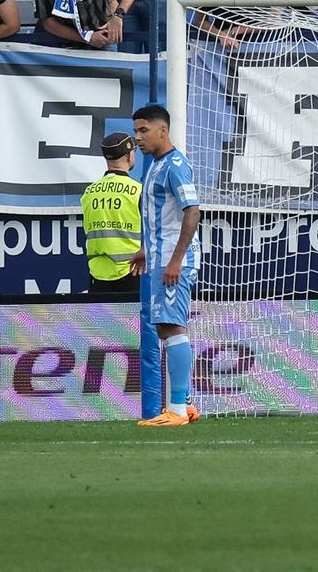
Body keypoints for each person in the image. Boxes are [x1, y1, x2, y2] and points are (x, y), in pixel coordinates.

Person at [134, 105, 203, 426]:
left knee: (172, 327)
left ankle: (176, 410)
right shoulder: (155, 166)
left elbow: (192, 211)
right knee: (165, 327)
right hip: (159, 258)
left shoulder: (175, 165)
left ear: (163, 130)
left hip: (173, 261)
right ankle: (184, 404)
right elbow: (162, 216)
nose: (138, 138)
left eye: (143, 131)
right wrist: (145, 250)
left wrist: (175, 260)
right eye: (136, 131)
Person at [81, 128, 143, 293]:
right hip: (132, 271)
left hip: (97, 273)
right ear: (129, 156)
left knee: (102, 320)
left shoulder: (89, 192)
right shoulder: (138, 191)